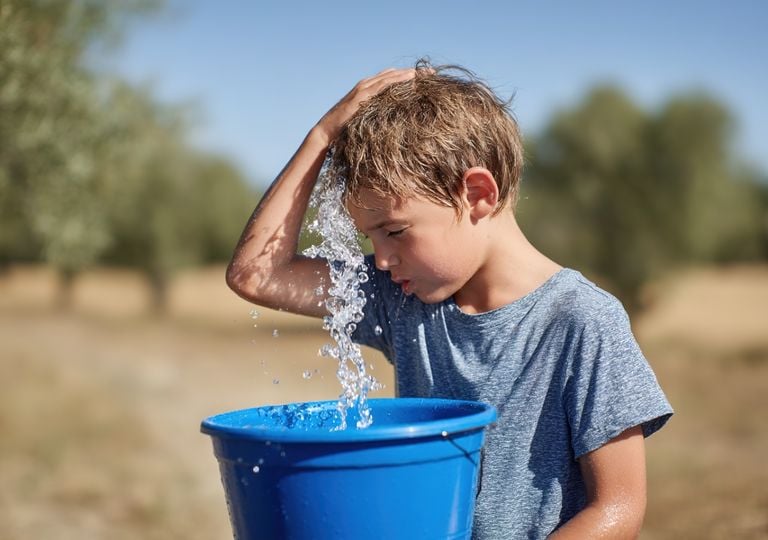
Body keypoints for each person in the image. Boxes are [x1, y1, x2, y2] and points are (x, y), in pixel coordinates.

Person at [226, 60, 673, 539]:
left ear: (477, 193)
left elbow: (619, 508)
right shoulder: (402, 302)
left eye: (395, 231)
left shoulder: (581, 320)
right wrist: (321, 136)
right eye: (370, 238)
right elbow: (258, 274)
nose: (380, 260)